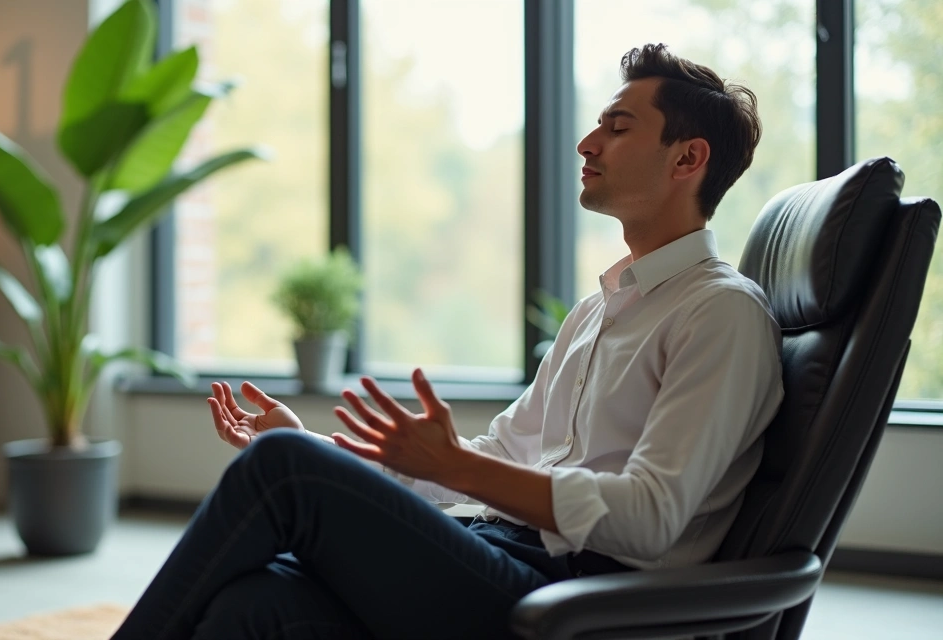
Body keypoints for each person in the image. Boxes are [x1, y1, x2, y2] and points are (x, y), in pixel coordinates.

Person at [111, 42, 783, 640]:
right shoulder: (596, 312)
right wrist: (326, 448)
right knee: (254, 603)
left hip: (581, 600)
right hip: (506, 554)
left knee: (282, 468)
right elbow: (499, 453)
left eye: (617, 126)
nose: (587, 143)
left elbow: (652, 518)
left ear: (688, 158)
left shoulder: (719, 313)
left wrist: (451, 467)